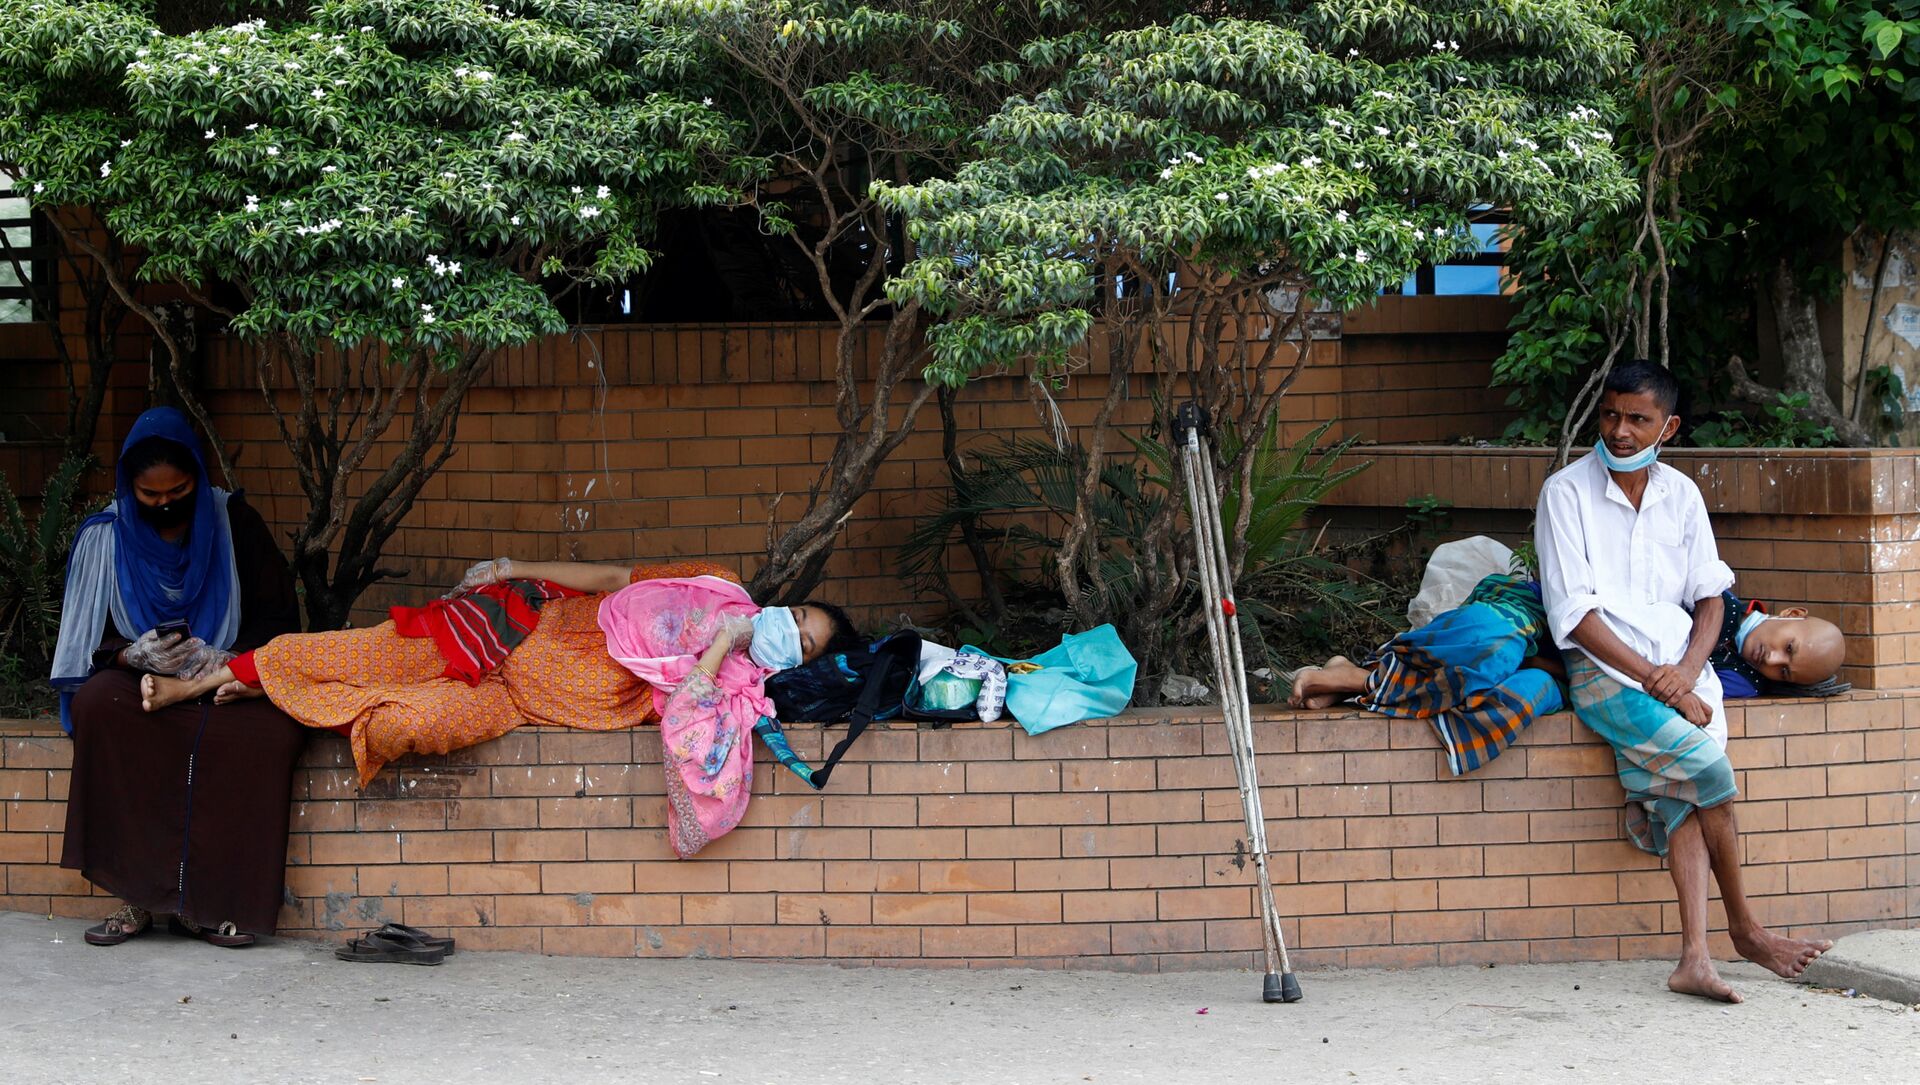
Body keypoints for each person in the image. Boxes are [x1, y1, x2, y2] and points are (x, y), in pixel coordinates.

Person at [139, 558, 858, 857]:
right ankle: (197, 684)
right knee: (357, 651)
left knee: (402, 724)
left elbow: (688, 737)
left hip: (509, 701)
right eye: (798, 615)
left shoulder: (734, 693)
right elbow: (615, 575)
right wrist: (515, 567)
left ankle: (267, 686)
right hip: (506, 628)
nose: (789, 629)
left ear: (800, 664)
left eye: (803, 643)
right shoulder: (717, 585)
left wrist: (723, 647)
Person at [1534, 360, 1829, 1002]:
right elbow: (1574, 616)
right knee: (1711, 776)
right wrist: (1658, 682)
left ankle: (1695, 958)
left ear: (1667, 427)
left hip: (1680, 669)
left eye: (1637, 420)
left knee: (1682, 799)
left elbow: (1711, 596)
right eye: (1610, 415)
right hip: (1607, 673)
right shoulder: (1565, 493)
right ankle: (1746, 931)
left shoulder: (1682, 494)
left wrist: (1688, 672)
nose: (1619, 431)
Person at [50, 407, 304, 949]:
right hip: (140, 682)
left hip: (227, 679)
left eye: (179, 490)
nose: (165, 503)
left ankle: (209, 905)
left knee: (271, 733)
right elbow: (89, 643)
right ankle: (137, 896)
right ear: (130, 487)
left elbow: (281, 619)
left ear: (198, 477)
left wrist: (229, 658)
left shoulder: (236, 524)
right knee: (98, 705)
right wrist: (133, 655)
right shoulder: (105, 536)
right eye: (150, 494)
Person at [1288, 573, 1565, 776]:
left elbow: (1575, 671)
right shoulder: (1527, 599)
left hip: (1546, 669)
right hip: (1512, 625)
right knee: (1494, 643)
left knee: (1524, 688)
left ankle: (1354, 682)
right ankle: (1358, 680)